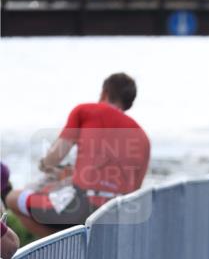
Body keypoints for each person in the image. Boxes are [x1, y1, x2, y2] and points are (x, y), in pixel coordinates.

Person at [4, 73, 150, 239]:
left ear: (104, 92)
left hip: (81, 206)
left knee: (13, 198)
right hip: (117, 215)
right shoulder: (143, 138)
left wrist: (44, 165)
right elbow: (134, 190)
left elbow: (55, 157)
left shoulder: (85, 111)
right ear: (129, 103)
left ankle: (61, 248)